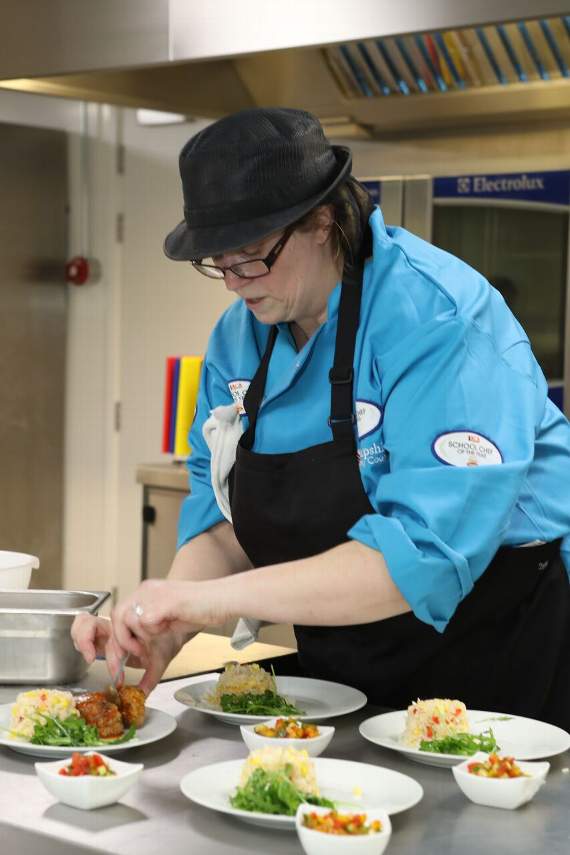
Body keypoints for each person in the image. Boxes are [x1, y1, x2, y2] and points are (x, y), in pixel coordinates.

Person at [72, 107, 570, 728]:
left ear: (323, 220)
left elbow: (423, 553)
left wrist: (203, 602)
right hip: (346, 670)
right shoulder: (239, 341)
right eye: (217, 262)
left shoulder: (436, 318)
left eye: (250, 256)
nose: (232, 283)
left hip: (494, 658)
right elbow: (225, 529)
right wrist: (164, 627)